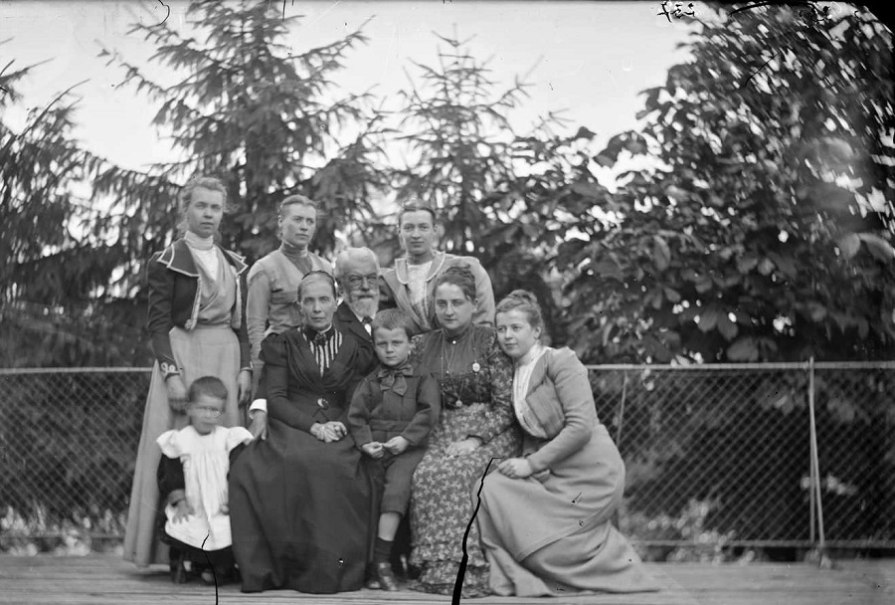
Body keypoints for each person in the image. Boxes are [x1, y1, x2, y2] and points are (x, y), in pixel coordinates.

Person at [477, 290, 660, 597]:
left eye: (516, 328)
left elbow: (581, 427)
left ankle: (616, 565)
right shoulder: (511, 372)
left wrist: (531, 465)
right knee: (488, 489)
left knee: (554, 541)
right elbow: (531, 435)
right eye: (501, 328)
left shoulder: (561, 361)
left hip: (592, 469)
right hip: (556, 470)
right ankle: (516, 576)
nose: (507, 336)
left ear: (536, 331)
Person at [124, 175, 252, 568]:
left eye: (215, 207)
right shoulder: (166, 261)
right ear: (186, 210)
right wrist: (171, 374)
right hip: (182, 353)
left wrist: (246, 367)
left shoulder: (234, 264)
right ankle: (173, 550)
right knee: (176, 450)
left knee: (224, 450)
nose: (209, 214)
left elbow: (242, 325)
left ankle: (223, 553)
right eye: (201, 206)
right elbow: (158, 325)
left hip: (225, 359)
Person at [228, 271, 373, 594]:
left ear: (337, 302)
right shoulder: (283, 343)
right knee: (266, 465)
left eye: (324, 299)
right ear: (299, 306)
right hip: (293, 421)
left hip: (340, 421)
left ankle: (332, 570)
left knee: (336, 467)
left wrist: (344, 424)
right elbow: (276, 397)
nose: (317, 308)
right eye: (309, 301)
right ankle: (279, 570)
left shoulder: (356, 345)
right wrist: (313, 427)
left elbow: (358, 394)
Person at [407, 265, 521, 597]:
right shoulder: (421, 345)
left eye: (457, 303)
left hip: (490, 431)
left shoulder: (490, 341)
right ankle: (435, 567)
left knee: (459, 472)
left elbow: (504, 405)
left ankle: (469, 570)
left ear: (473, 304)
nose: (449, 311)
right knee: (426, 472)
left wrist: (476, 439)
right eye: (441, 304)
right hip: (440, 431)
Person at [347, 309, 440, 591]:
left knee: (397, 490)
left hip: (407, 448)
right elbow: (356, 417)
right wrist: (365, 443)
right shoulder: (370, 381)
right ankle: (369, 565)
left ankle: (383, 560)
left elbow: (428, 413)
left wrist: (406, 439)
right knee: (369, 490)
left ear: (410, 344)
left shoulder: (423, 378)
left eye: (396, 343)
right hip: (377, 448)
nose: (389, 350)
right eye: (382, 344)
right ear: (374, 345)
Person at [156, 376, 253, 584]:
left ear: (222, 412)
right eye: (202, 409)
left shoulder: (228, 439)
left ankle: (219, 568)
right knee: (185, 526)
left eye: (214, 410)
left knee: (227, 528)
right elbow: (169, 474)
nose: (208, 415)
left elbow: (239, 472)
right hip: (192, 505)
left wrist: (234, 500)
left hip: (221, 505)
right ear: (189, 409)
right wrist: (180, 501)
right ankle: (181, 562)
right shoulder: (179, 440)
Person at [245, 194, 331, 392]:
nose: (304, 227)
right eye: (298, 219)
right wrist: (259, 371)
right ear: (281, 222)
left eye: (310, 221)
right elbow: (255, 326)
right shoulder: (265, 268)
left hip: (321, 357)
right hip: (281, 357)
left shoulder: (325, 267)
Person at [380, 201, 495, 334]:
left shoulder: (465, 267)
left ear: (434, 230)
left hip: (463, 349)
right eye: (409, 228)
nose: (416, 235)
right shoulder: (390, 280)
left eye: (423, 227)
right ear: (399, 231)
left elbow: (483, 319)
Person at [333, 246, 380, 375]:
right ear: (340, 285)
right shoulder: (332, 326)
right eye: (355, 279)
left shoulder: (391, 316)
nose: (365, 286)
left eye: (371, 278)